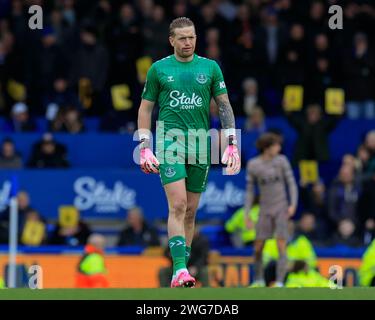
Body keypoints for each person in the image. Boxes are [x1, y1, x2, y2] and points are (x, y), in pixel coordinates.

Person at [137, 17, 240, 288]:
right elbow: (145, 109)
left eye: (191, 37)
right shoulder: (159, 69)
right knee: (179, 204)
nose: (188, 42)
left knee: (192, 211)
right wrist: (144, 146)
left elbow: (225, 106)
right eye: (182, 38)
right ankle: (179, 268)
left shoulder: (210, 67)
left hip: (200, 144)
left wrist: (231, 142)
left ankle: (182, 271)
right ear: (171, 40)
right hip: (170, 142)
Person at [244, 132, 298, 287]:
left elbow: (291, 184)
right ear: (267, 148)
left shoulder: (282, 161)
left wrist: (292, 204)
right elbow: (249, 190)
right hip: (265, 209)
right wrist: (247, 212)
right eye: (276, 145)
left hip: (280, 207)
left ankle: (280, 282)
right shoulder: (254, 165)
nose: (279, 148)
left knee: (281, 244)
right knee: (258, 246)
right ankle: (259, 279)